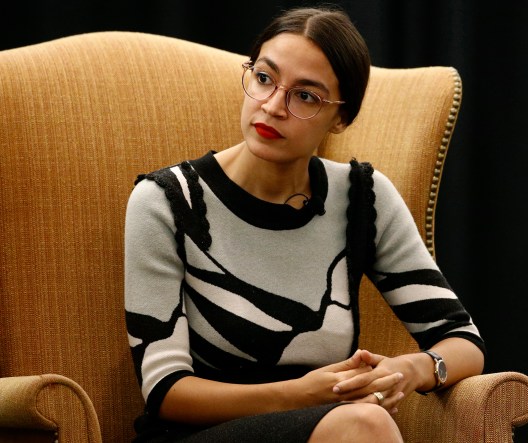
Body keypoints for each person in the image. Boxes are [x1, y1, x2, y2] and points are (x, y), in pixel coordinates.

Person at [124, 5, 485, 442]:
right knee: (363, 423)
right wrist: (301, 395)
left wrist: (410, 369)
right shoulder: (167, 200)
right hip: (193, 434)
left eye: (306, 97)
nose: (273, 106)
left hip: (332, 428)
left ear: (341, 118)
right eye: (264, 78)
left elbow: (463, 341)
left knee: (363, 422)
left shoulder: (362, 198)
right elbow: (164, 391)